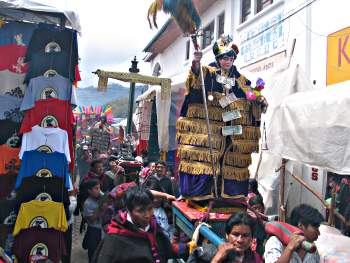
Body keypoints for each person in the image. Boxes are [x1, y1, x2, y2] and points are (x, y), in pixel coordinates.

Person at [177, 35, 268, 201]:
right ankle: (203, 194)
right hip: (210, 128)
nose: (228, 61)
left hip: (231, 129)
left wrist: (258, 98)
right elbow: (196, 78)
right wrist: (196, 62)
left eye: (231, 58)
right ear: (218, 58)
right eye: (225, 58)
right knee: (206, 158)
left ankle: (229, 194)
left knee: (232, 156)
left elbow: (249, 93)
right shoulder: (209, 74)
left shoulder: (239, 79)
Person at [94, 187, 176, 263]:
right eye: (140, 211)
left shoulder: (153, 227)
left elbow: (167, 249)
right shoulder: (115, 239)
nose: (147, 215)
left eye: (150, 209)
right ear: (128, 210)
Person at [188, 212, 262, 263]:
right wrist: (218, 258)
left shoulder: (255, 259)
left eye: (245, 235)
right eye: (235, 234)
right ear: (227, 235)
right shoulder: (209, 253)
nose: (240, 240)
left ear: (252, 238)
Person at [82, 180, 108, 262]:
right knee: (93, 254)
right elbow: (91, 219)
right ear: (89, 191)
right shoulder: (87, 203)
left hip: (104, 230)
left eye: (99, 188)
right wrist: (100, 208)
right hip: (94, 231)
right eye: (96, 189)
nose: (99, 191)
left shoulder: (102, 197)